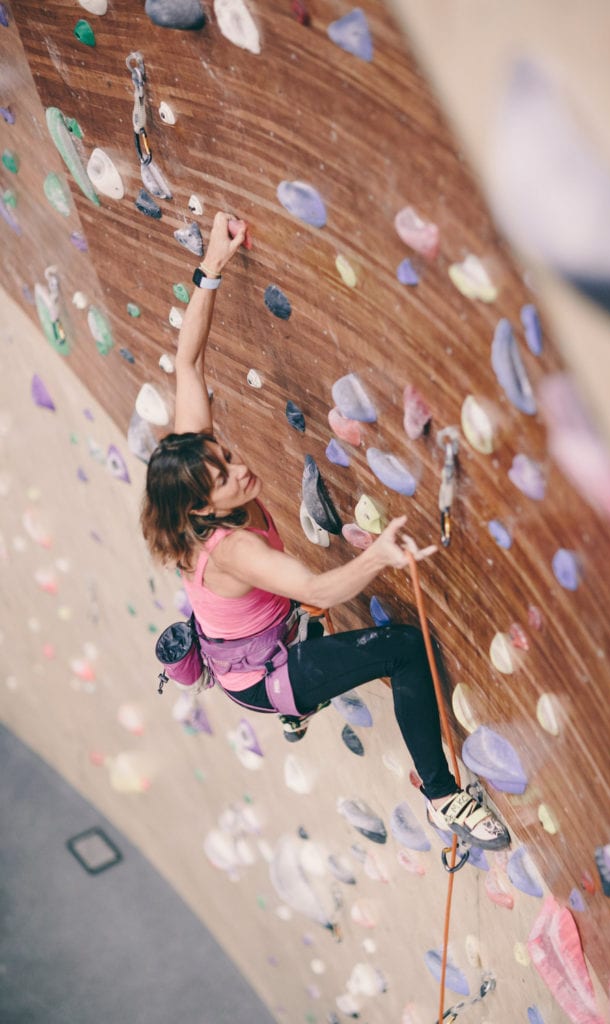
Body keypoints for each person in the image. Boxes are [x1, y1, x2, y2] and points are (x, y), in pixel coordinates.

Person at [141, 211, 510, 851]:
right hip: (264, 675)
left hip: (252, 635)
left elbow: (187, 365)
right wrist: (381, 556)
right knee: (404, 648)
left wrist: (211, 266)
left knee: (309, 620)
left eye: (225, 455)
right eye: (226, 477)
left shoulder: (191, 469)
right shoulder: (233, 550)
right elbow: (317, 586)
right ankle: (441, 798)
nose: (240, 467)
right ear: (202, 510)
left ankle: (300, 691)